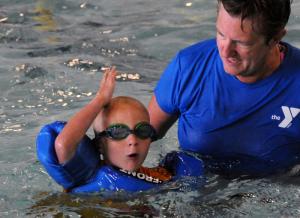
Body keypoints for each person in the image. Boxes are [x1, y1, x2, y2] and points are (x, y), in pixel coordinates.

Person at [148, 0, 300, 176]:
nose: (225, 51)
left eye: (242, 43)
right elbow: (138, 139)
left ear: (275, 38)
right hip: (194, 194)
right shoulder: (189, 67)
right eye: (221, 34)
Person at [36, 67, 204, 193]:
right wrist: (100, 100)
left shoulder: (162, 175)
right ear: (100, 145)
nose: (132, 140)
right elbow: (63, 145)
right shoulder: (89, 176)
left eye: (142, 131)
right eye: (118, 133)